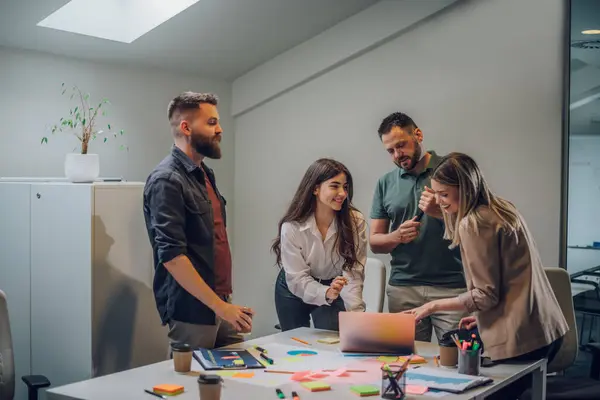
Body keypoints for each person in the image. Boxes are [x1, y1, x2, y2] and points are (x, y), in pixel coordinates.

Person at [404, 152, 568, 398]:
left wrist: (431, 306)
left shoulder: (473, 223)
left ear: (466, 188)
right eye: (435, 193)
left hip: (521, 339)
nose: (438, 202)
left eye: (444, 194)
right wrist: (483, 320)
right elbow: (509, 280)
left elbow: (485, 295)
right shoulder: (501, 208)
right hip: (547, 330)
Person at [143, 91, 254, 350]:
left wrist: (225, 304)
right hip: (192, 310)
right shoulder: (166, 179)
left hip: (220, 300)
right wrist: (221, 307)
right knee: (192, 386)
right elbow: (171, 256)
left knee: (235, 380)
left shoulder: (204, 173)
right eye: (212, 122)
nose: (220, 129)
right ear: (186, 127)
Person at [369, 112, 466, 342]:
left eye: (401, 145)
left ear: (418, 135)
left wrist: (439, 215)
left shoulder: (452, 170)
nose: (397, 155)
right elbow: (375, 242)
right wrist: (396, 237)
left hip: (452, 288)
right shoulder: (385, 183)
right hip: (403, 289)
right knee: (407, 364)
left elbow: (476, 228)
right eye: (390, 150)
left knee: (456, 363)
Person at [271, 158, 367, 331]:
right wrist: (325, 293)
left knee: (333, 340)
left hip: (334, 284)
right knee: (295, 343)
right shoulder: (292, 226)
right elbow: (298, 279)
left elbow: (354, 273)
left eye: (345, 187)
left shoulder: (355, 222)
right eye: (334, 186)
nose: (343, 193)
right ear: (315, 188)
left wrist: (355, 319)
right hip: (293, 287)